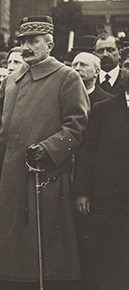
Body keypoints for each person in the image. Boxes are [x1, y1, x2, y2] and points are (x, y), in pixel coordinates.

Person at [0, 16, 89, 290]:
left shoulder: (67, 77)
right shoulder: (10, 80)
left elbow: (77, 124)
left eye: (33, 41)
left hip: (43, 176)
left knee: (42, 257)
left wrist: (49, 147)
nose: (26, 47)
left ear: (50, 44)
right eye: (23, 42)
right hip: (8, 176)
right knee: (9, 255)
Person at [72, 48, 129, 289]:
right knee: (109, 257)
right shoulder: (104, 109)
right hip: (109, 198)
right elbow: (87, 153)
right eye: (127, 64)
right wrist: (82, 191)